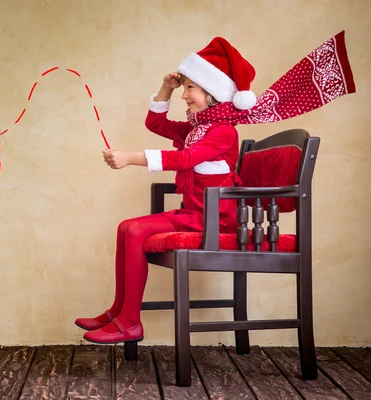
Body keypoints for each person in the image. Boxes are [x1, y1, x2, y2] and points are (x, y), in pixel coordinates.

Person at [75, 36, 258, 344]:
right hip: (193, 214)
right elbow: (155, 124)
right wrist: (166, 89)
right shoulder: (199, 127)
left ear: (213, 93)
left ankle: (130, 322)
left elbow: (185, 158)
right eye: (184, 87)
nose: (185, 95)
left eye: (190, 88)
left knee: (134, 232)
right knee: (126, 228)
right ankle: (120, 312)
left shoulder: (223, 131)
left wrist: (132, 158)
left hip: (214, 221)